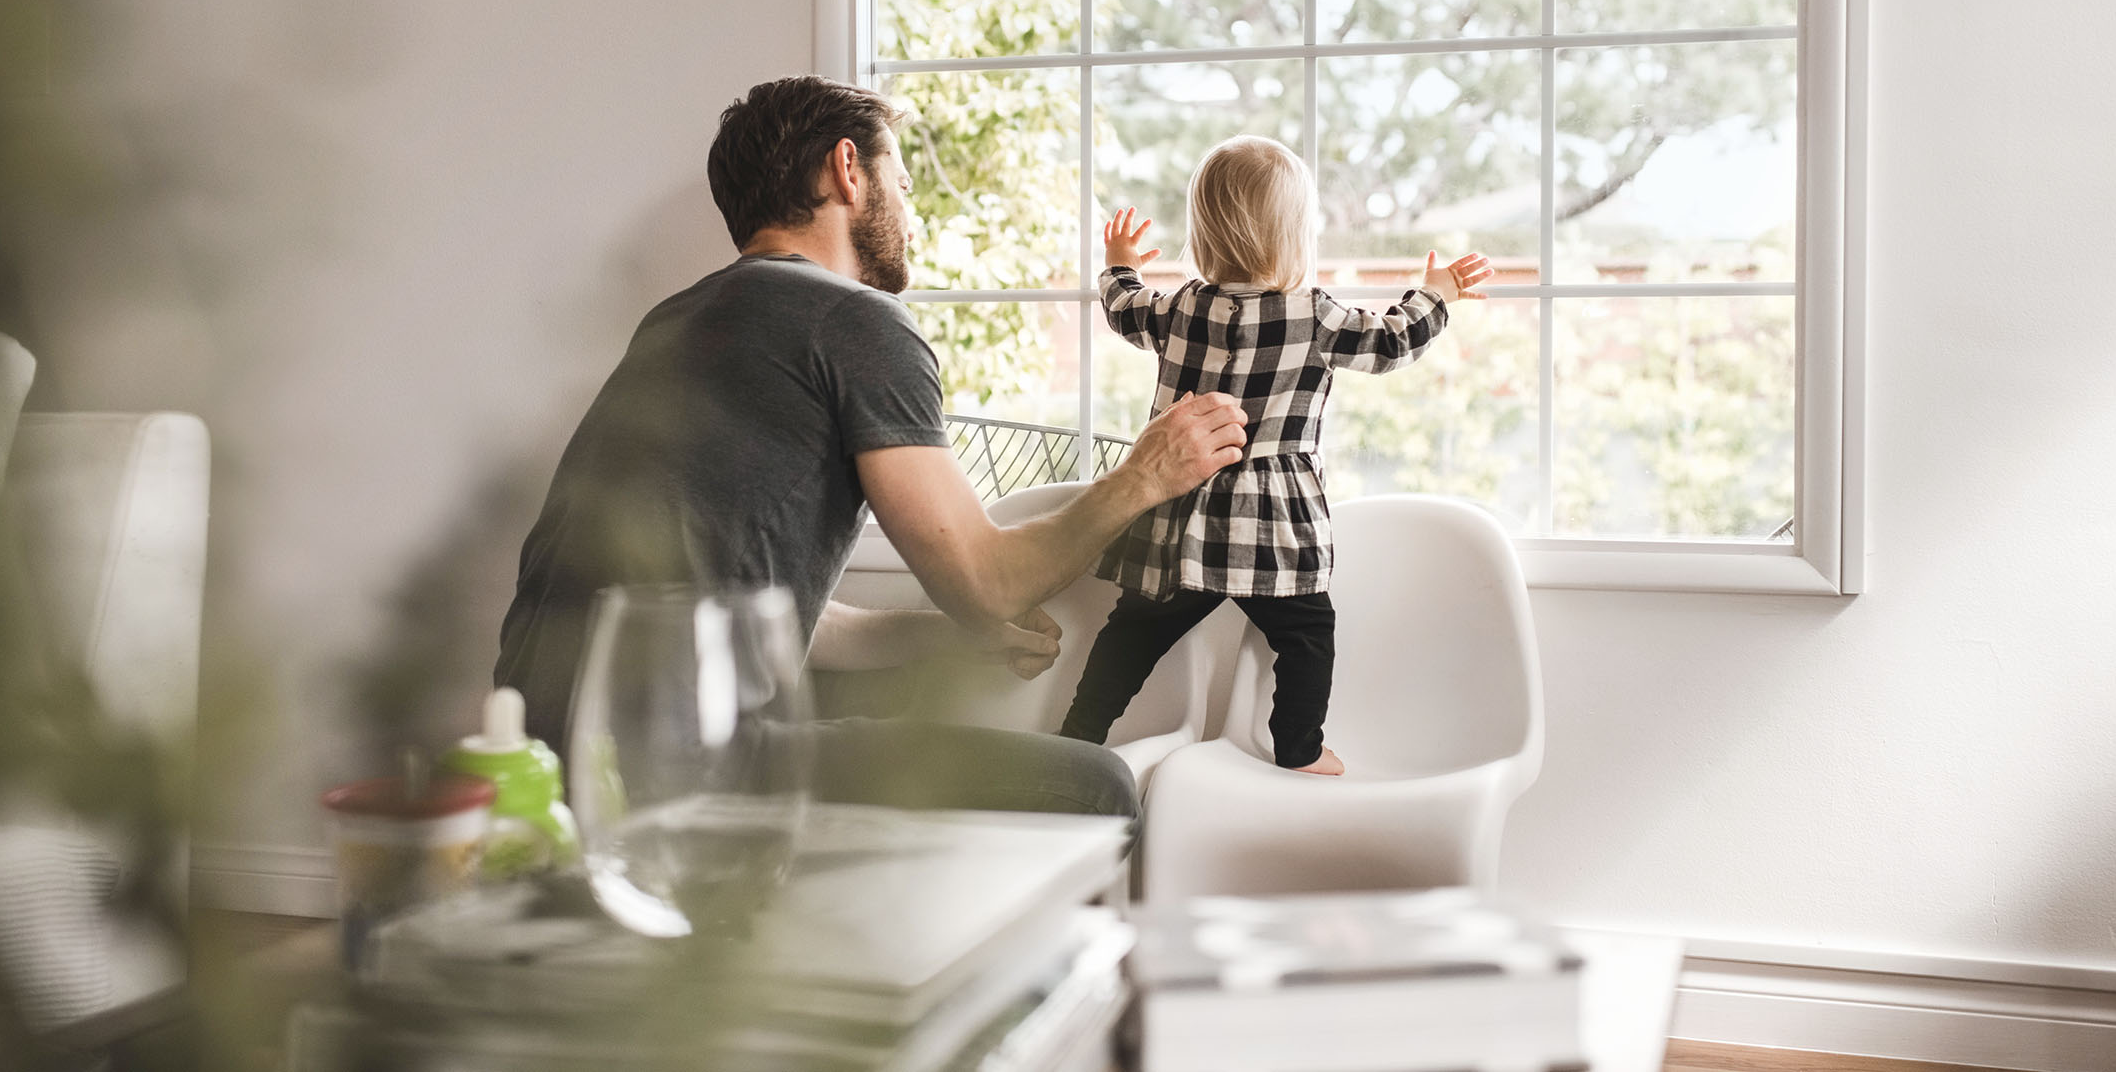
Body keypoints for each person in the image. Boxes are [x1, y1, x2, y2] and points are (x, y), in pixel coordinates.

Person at [493, 75, 1247, 817]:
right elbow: (990, 582)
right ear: (848, 170)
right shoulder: (851, 321)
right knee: (1097, 785)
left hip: (541, 750)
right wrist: (1143, 476)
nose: (912, 215)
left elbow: (768, 608)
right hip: (683, 757)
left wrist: (945, 637)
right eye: (905, 182)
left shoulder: (680, 320)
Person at [1057, 136, 1492, 776]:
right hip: (1268, 521)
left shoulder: (1181, 308)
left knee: (1130, 634)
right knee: (1306, 633)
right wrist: (1436, 292)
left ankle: (1075, 739)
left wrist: (1119, 262)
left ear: (1204, 231)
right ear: (1295, 234)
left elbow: (1125, 312)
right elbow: (1391, 342)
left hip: (1178, 512)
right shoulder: (1313, 316)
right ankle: (1298, 745)